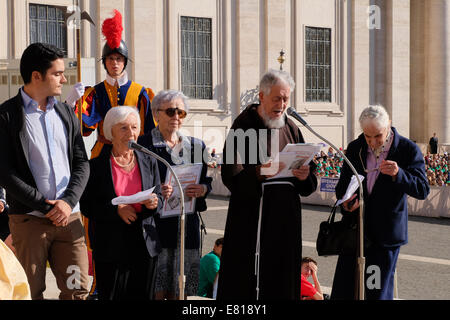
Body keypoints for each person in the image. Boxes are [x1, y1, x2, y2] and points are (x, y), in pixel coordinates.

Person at [65, 9, 156, 298]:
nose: (114, 63)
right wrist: (73, 105)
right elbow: (83, 128)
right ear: (104, 62)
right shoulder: (94, 92)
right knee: (96, 218)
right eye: (110, 59)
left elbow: (149, 133)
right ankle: (97, 280)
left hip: (133, 156)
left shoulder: (142, 93)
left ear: (125, 62)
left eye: (119, 59)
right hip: (103, 155)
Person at [216, 69, 318, 300]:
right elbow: (230, 177)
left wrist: (305, 176)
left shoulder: (291, 127)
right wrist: (260, 172)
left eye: (286, 99)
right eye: (276, 98)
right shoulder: (244, 126)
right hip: (254, 222)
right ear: (262, 96)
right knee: (251, 285)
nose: (282, 104)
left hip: (286, 223)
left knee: (282, 281)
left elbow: (309, 182)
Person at [0, 42, 90, 300]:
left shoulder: (64, 113)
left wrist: (67, 202)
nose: (64, 79)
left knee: (77, 290)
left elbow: (82, 162)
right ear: (36, 76)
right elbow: (4, 171)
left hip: (70, 221)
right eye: (57, 73)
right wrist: (44, 204)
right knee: (29, 291)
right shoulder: (7, 116)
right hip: (29, 222)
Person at [331, 105, 430, 300]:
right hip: (356, 232)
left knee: (374, 290)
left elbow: (422, 189)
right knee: (344, 290)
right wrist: (347, 203)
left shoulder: (407, 149)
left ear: (389, 126)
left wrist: (399, 174)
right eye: (368, 137)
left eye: (378, 136)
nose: (373, 142)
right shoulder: (355, 148)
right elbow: (342, 188)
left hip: (384, 237)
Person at [80, 106, 162, 300]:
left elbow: (158, 194)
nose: (130, 133)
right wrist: (116, 209)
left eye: (134, 127)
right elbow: (87, 205)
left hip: (144, 242)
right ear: (111, 132)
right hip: (111, 244)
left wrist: (154, 203)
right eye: (123, 128)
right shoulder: (96, 166)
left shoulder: (149, 160)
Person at [138, 90, 212, 300]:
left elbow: (206, 181)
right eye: (170, 111)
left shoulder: (197, 146)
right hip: (156, 226)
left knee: (182, 287)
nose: (176, 117)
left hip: (186, 225)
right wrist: (155, 191)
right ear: (156, 114)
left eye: (181, 112)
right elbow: (136, 184)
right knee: (157, 287)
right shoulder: (144, 146)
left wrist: (203, 189)